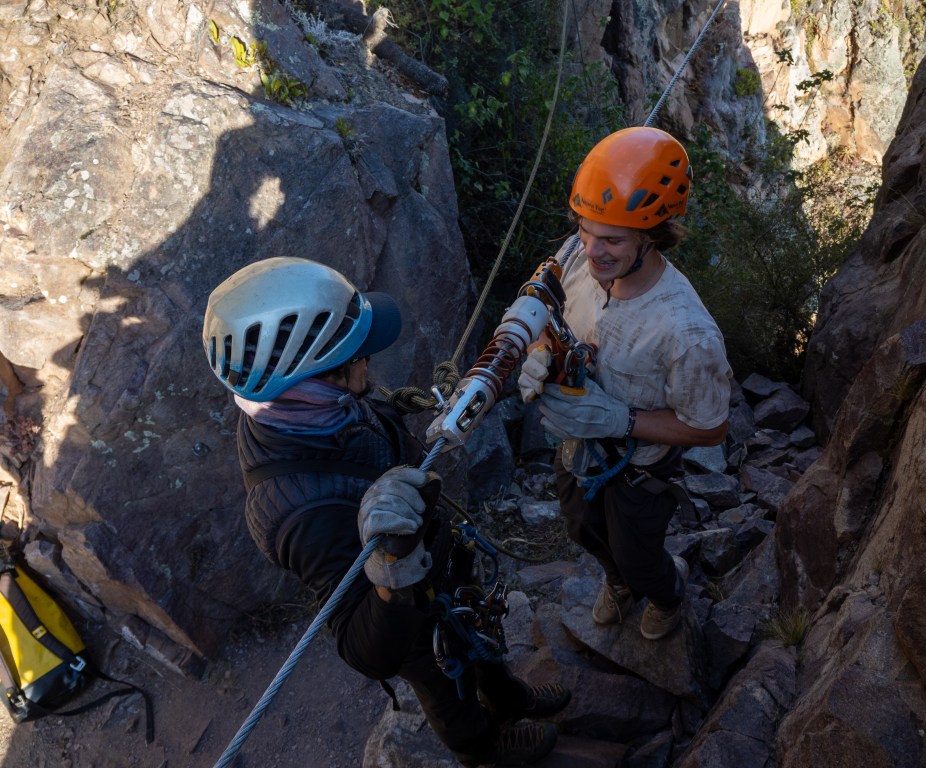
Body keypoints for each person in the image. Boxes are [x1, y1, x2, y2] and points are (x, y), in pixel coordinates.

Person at [202, 257, 569, 766]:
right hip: (409, 619)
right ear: (320, 375)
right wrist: (392, 569)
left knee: (480, 639)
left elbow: (359, 422)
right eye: (359, 356)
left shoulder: (301, 408)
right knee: (445, 683)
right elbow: (365, 651)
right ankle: (483, 748)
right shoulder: (298, 513)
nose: (369, 364)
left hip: (439, 563)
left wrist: (397, 407)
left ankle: (507, 696)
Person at [518, 127, 733, 641]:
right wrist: (539, 348)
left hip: (639, 466)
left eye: (611, 240)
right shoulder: (578, 257)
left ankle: (663, 593)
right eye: (586, 232)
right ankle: (617, 583)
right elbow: (551, 311)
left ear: (651, 236)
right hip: (578, 441)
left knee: (638, 553)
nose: (592, 252)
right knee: (581, 526)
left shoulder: (686, 331)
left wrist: (623, 419)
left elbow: (710, 428)